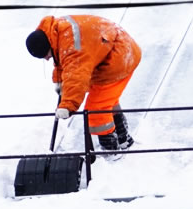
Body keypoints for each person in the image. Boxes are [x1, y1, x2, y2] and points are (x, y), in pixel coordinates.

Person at [25, 15, 141, 153]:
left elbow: (76, 75)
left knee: (96, 109)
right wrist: (60, 82)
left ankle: (112, 150)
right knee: (105, 100)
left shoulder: (73, 46)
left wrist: (68, 105)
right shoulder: (57, 33)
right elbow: (63, 61)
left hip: (119, 58)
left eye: (46, 55)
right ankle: (123, 139)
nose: (47, 58)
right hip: (111, 49)